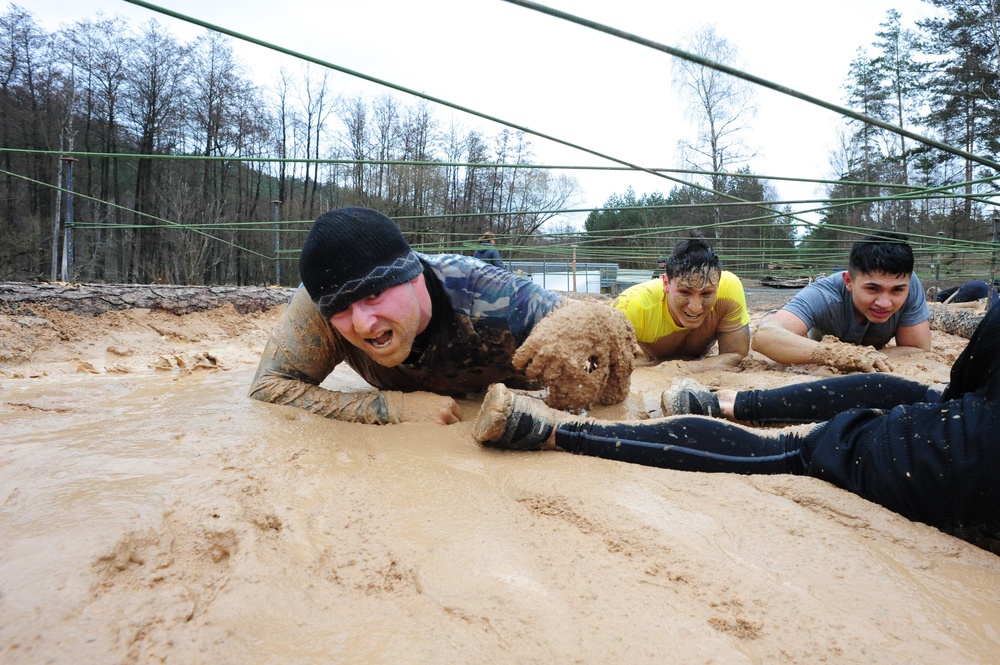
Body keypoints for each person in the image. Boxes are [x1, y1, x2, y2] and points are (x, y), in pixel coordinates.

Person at [473, 299, 1000, 543]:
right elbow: (765, 337)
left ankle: (556, 433)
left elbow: (964, 382)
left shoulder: (729, 293)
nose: (698, 305)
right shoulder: (637, 304)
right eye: (686, 296)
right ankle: (724, 405)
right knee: (931, 400)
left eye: (896, 290)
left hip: (979, 452)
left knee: (799, 451)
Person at [249, 207, 636, 425]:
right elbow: (268, 387)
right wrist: (390, 407)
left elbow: (604, 330)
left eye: (374, 294)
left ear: (413, 273)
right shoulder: (321, 301)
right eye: (342, 310)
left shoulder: (495, 297)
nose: (363, 323)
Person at [752, 232, 931, 373]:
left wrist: (867, 356)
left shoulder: (909, 283)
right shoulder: (823, 294)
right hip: (814, 344)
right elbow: (764, 337)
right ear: (848, 281)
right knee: (772, 321)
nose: (884, 303)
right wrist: (847, 356)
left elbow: (917, 348)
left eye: (897, 290)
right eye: (872, 289)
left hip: (869, 352)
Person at [612, 236, 750, 371]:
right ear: (666, 283)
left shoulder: (728, 289)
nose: (695, 307)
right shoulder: (631, 306)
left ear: (718, 286)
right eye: (684, 292)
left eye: (706, 293)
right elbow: (601, 362)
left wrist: (685, 368)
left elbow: (736, 355)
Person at [934, 280, 999, 306]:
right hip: (989, 290)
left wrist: (938, 304)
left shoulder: (941, 295)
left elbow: (939, 301)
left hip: (974, 287)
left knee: (947, 306)